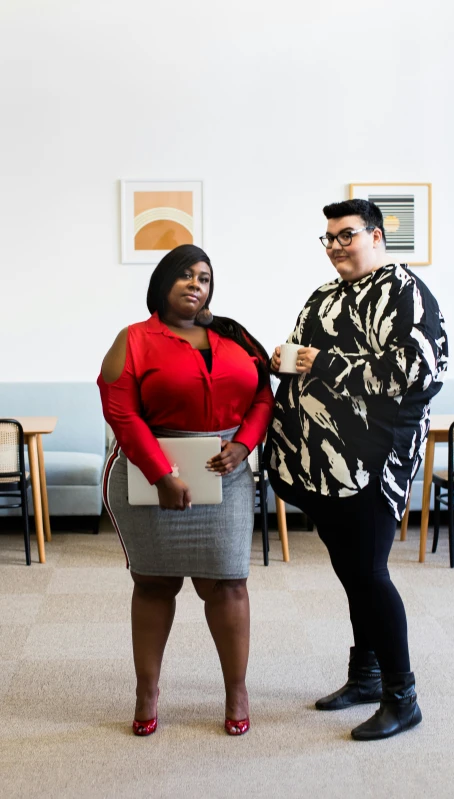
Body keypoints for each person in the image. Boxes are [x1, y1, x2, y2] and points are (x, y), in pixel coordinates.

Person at [265, 199, 448, 741]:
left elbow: (421, 370)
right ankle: (365, 675)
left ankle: (402, 695)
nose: (337, 246)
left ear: (376, 235)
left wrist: (321, 364)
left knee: (369, 573)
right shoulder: (322, 296)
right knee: (351, 571)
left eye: (347, 235)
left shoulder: (406, 292)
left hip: (373, 462)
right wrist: (283, 360)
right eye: (329, 238)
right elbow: (301, 359)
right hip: (319, 463)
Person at [98, 244, 274, 737]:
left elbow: (264, 393)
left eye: (205, 277)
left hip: (226, 474)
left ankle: (236, 691)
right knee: (154, 583)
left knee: (228, 582)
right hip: (148, 473)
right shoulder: (132, 338)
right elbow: (121, 412)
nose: (197, 284)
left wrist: (244, 444)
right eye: (186, 275)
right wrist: (161, 473)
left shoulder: (233, 336)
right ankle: (147, 690)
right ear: (162, 282)